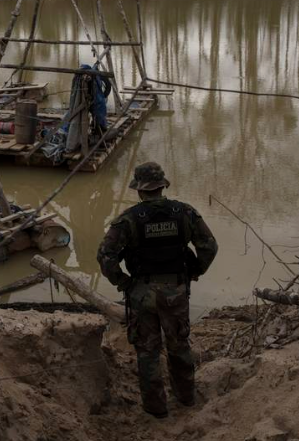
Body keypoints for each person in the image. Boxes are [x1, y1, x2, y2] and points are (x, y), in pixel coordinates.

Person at [97, 162, 218, 418]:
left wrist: (125, 283)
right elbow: (209, 246)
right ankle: (186, 399)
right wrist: (194, 271)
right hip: (175, 290)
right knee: (179, 346)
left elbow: (105, 256)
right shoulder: (185, 212)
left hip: (142, 293)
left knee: (148, 351)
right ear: (163, 186)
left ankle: (156, 409)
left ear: (140, 191)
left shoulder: (127, 220)